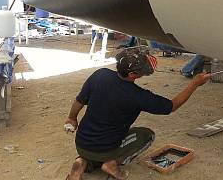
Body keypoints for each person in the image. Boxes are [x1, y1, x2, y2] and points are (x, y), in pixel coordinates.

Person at [65, 46, 210, 180]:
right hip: (105, 149)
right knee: (146, 135)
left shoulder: (100, 75)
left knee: (95, 148)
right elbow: (172, 106)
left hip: (81, 142)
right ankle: (112, 164)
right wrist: (194, 84)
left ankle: (82, 162)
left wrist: (72, 118)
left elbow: (80, 100)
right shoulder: (138, 97)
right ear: (133, 74)